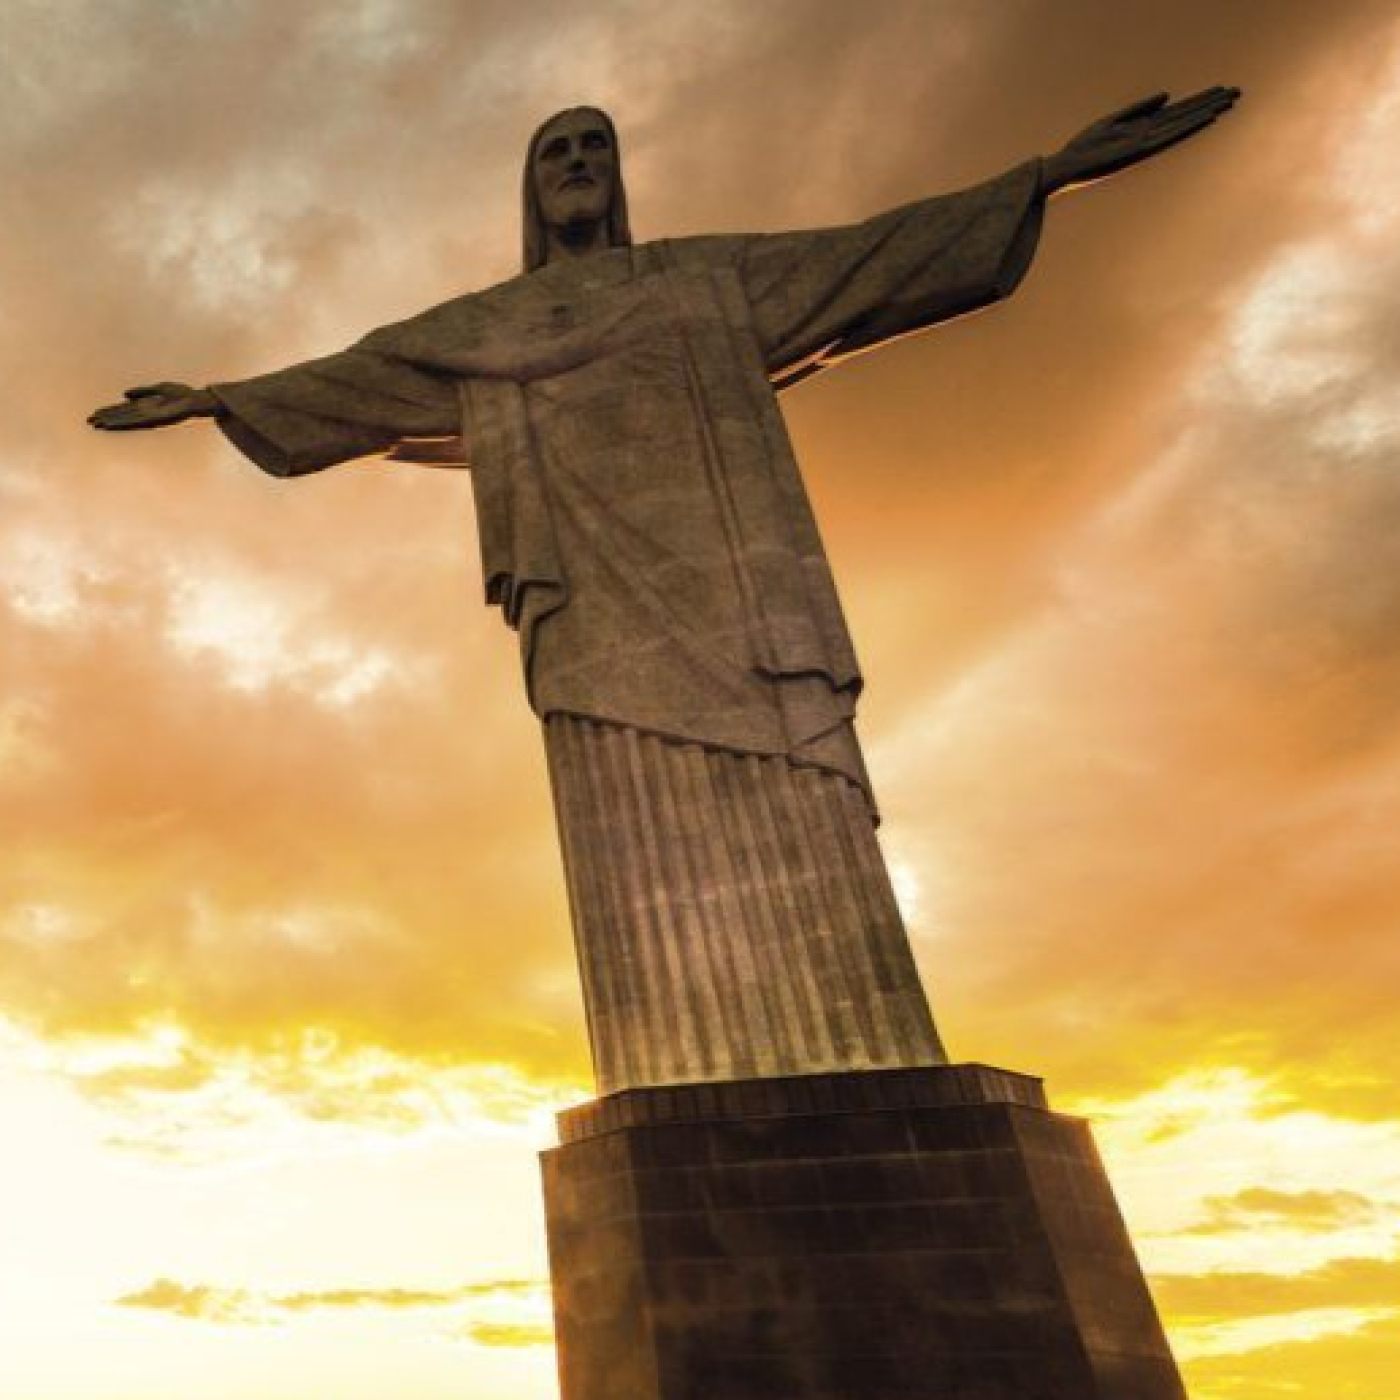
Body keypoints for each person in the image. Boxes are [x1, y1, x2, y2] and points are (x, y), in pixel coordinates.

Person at [90, 90, 1239, 1094]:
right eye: (556, 151)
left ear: (617, 172)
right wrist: (218, 397)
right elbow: (360, 374)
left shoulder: (705, 276)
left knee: (803, 805)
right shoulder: (481, 326)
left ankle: (867, 1047)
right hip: (594, 621)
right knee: (632, 843)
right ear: (532, 188)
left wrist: (1050, 173)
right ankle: (675, 1067)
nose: (577, 163)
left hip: (741, 601)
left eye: (594, 145)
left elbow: (872, 255)